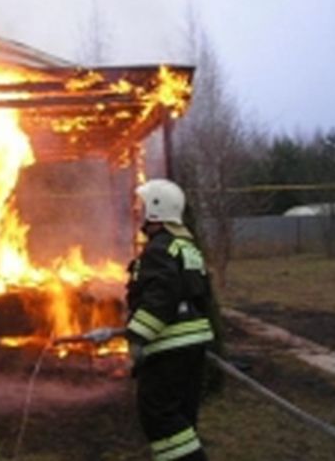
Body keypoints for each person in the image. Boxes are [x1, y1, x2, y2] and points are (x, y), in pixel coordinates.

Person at [126, 178, 215, 460]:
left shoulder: (159, 249)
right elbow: (202, 297)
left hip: (170, 348)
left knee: (158, 415)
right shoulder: (186, 248)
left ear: (156, 210)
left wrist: (137, 336)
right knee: (181, 416)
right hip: (193, 346)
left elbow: (161, 297)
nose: (139, 212)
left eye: (143, 206)